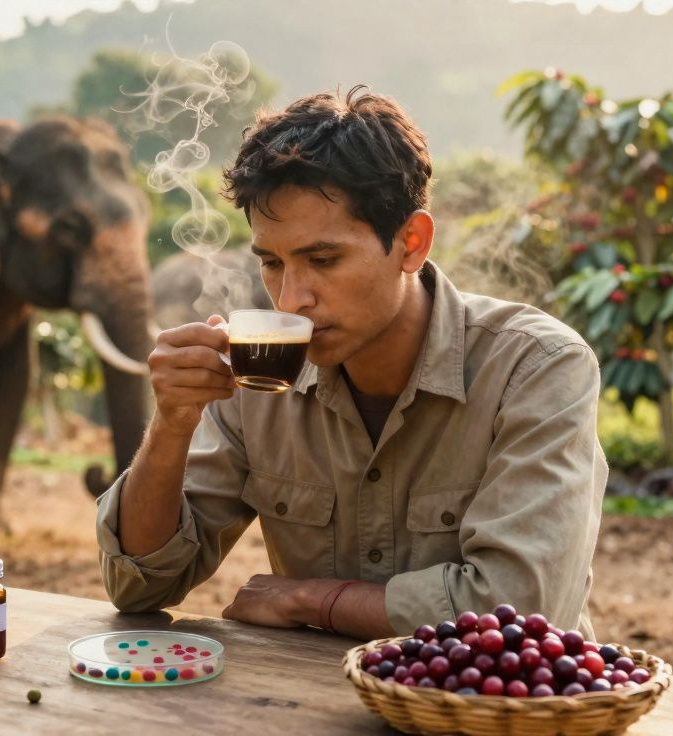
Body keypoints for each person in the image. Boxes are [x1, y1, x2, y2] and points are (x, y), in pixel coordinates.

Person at [96, 86, 607, 640]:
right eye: (272, 263)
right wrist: (172, 424)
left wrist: (315, 600)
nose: (291, 300)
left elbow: (524, 610)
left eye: (323, 259)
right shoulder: (256, 378)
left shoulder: (536, 368)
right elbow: (139, 585)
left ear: (412, 242)